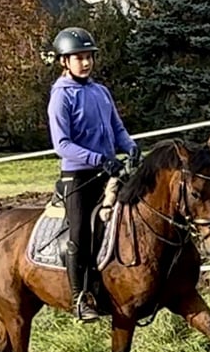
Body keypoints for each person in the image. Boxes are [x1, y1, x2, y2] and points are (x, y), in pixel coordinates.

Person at [47, 26, 141, 322]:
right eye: (79, 58)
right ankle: (80, 298)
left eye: (88, 57)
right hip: (79, 177)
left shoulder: (100, 92)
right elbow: (61, 145)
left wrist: (130, 146)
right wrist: (99, 158)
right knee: (81, 233)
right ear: (64, 61)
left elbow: (117, 129)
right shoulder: (61, 97)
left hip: (107, 171)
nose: (85, 63)